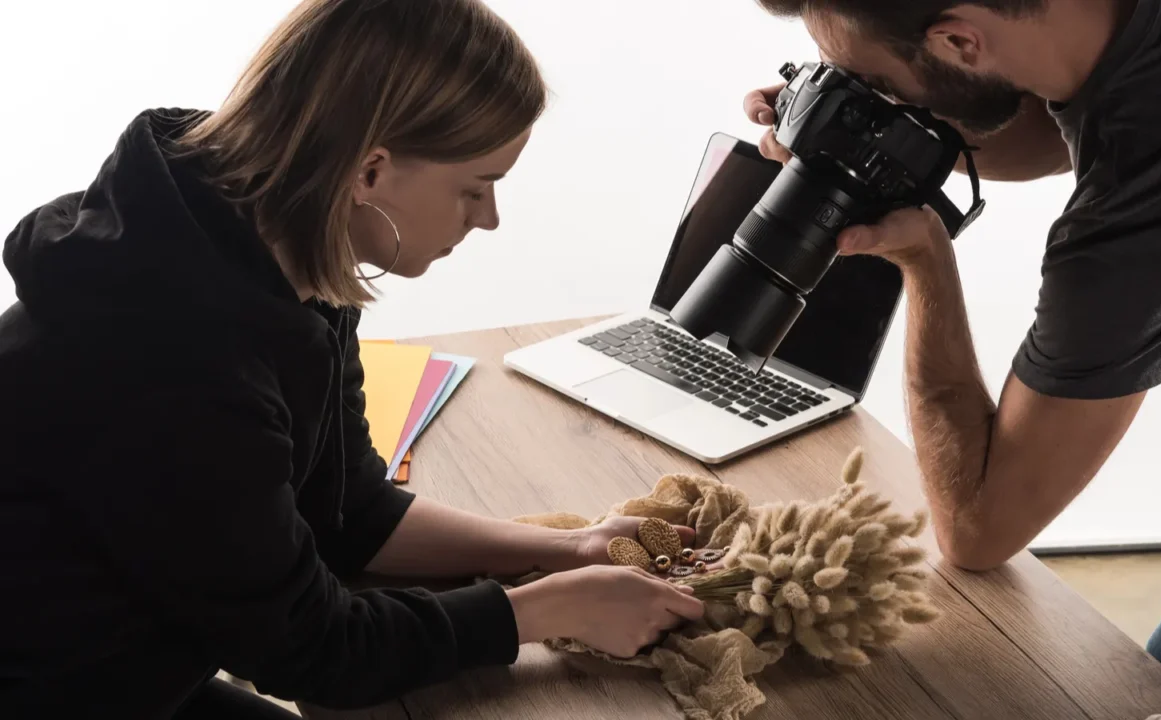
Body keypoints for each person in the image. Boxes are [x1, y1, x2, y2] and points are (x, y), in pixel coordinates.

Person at [0, 0, 705, 717]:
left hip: (122, 662)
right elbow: (312, 651)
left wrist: (569, 550)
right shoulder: (179, 366)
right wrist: (542, 613)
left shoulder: (276, 259)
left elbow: (345, 511)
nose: (488, 218)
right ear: (370, 172)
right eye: (475, 186)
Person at [744, 0, 1161, 709]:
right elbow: (1049, 127)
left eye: (881, 83)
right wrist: (884, 134)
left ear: (960, 39)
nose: (878, 98)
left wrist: (924, 254)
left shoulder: (1154, 201)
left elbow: (979, 526)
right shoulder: (1084, 26)